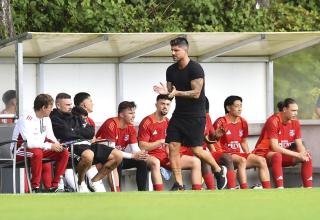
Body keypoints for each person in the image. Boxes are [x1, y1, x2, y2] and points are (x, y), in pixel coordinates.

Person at [153, 37, 227, 190]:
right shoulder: (171, 70)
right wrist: (164, 93)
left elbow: (196, 93)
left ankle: (219, 170)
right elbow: (170, 93)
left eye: (176, 50)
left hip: (196, 116)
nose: (173, 53)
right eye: (172, 50)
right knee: (172, 146)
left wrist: (174, 92)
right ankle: (179, 183)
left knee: (197, 150)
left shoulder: (195, 69)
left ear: (185, 50)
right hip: (179, 115)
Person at [50, 93, 123, 192]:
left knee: (117, 155)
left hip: (87, 144)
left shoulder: (75, 115)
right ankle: (81, 183)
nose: (70, 107)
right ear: (58, 105)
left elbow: (90, 132)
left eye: (71, 104)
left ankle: (95, 181)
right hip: (71, 147)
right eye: (67, 105)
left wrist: (74, 130)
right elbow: (65, 134)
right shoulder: (54, 117)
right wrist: (79, 131)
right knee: (88, 155)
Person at [138, 94, 202, 191]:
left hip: (166, 156)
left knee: (196, 161)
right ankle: (160, 193)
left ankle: (196, 191)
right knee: (155, 162)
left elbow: (172, 144)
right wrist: (159, 142)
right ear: (156, 105)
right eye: (162, 103)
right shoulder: (147, 122)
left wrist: (170, 152)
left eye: (168, 104)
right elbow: (142, 146)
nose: (165, 107)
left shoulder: (168, 121)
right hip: (151, 156)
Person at [12, 94, 69, 193]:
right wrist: (50, 146)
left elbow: (51, 137)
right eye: (50, 107)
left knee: (63, 152)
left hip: (39, 149)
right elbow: (29, 143)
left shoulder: (46, 119)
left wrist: (58, 145)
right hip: (19, 151)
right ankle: (35, 188)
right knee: (37, 153)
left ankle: (55, 186)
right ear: (43, 107)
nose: (52, 110)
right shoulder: (25, 118)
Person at [213, 96, 271, 189]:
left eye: (241, 106)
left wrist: (249, 155)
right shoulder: (221, 121)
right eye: (236, 106)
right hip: (224, 155)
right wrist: (222, 155)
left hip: (237, 154)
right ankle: (244, 188)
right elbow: (214, 142)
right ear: (228, 108)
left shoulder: (243, 122)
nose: (240, 108)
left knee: (261, 160)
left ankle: (268, 189)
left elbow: (243, 141)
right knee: (242, 160)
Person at [253, 98, 312, 188]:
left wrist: (303, 153)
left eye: (296, 111)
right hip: (265, 154)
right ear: (284, 109)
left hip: (282, 154)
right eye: (293, 110)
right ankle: (280, 188)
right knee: (277, 155)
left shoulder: (295, 122)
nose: (295, 113)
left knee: (307, 156)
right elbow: (275, 147)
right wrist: (297, 154)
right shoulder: (273, 121)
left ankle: (308, 188)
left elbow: (299, 144)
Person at [180, 97, 237, 190]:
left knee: (227, 157)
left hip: (202, 151)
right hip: (188, 152)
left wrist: (217, 136)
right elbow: (188, 140)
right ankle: (212, 189)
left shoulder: (207, 117)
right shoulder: (185, 119)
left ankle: (232, 189)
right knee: (204, 158)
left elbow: (210, 138)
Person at [96, 101, 149, 192]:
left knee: (142, 162)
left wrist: (141, 155)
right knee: (117, 160)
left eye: (134, 113)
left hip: (119, 156)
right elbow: (112, 151)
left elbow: (135, 149)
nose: (133, 116)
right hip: (103, 157)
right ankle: (117, 192)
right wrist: (133, 156)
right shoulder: (111, 124)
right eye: (130, 113)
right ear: (121, 114)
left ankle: (142, 192)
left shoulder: (130, 127)